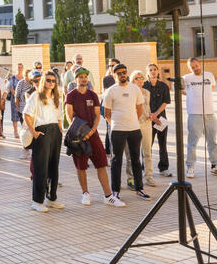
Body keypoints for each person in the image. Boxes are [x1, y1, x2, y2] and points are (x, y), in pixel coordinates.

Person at [65, 68, 124, 207]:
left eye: (86, 77)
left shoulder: (93, 95)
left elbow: (98, 115)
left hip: (93, 135)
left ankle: (108, 196)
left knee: (101, 163)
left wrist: (91, 131)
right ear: (75, 79)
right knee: (81, 166)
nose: (84, 79)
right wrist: (80, 133)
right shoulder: (71, 95)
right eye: (81, 77)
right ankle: (85, 194)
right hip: (78, 137)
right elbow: (69, 116)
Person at [104, 69, 151, 202]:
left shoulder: (135, 89)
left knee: (136, 160)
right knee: (116, 161)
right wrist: (116, 123)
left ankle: (139, 189)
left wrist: (132, 121)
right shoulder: (111, 91)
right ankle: (115, 191)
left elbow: (139, 108)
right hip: (118, 130)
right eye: (118, 73)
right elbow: (107, 113)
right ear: (114, 76)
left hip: (134, 130)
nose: (122, 75)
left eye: (124, 72)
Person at [24, 70, 64, 212]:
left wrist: (60, 128)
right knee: (41, 167)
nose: (51, 83)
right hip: (42, 132)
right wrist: (33, 132)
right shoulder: (36, 96)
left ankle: (51, 198)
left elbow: (59, 115)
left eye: (53, 81)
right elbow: (26, 114)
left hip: (55, 132)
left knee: (54, 167)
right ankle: (37, 200)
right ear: (43, 81)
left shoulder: (56, 96)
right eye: (48, 80)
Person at [182, 57, 217, 178]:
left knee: (212, 141)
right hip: (194, 114)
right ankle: (190, 166)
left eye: (196, 66)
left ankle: (214, 166)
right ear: (189, 68)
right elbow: (181, 90)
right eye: (192, 67)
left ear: (200, 64)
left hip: (210, 114)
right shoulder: (186, 78)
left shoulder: (209, 75)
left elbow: (211, 88)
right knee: (192, 142)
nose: (195, 68)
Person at [144, 63, 172, 177]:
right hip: (147, 119)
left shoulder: (164, 86)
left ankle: (164, 168)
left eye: (155, 69)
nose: (153, 71)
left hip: (161, 119)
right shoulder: (144, 86)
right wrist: (151, 116)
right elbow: (142, 103)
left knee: (162, 144)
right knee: (147, 145)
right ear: (147, 72)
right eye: (150, 70)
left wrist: (156, 114)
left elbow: (165, 102)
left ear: (158, 71)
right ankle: (145, 168)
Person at [8, 63, 25, 138]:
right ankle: (15, 131)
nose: (20, 69)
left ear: (23, 68)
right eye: (18, 67)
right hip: (15, 99)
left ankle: (23, 130)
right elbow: (11, 88)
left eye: (21, 67)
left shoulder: (25, 77)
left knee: (23, 115)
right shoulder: (13, 78)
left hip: (24, 100)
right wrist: (17, 96)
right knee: (14, 115)